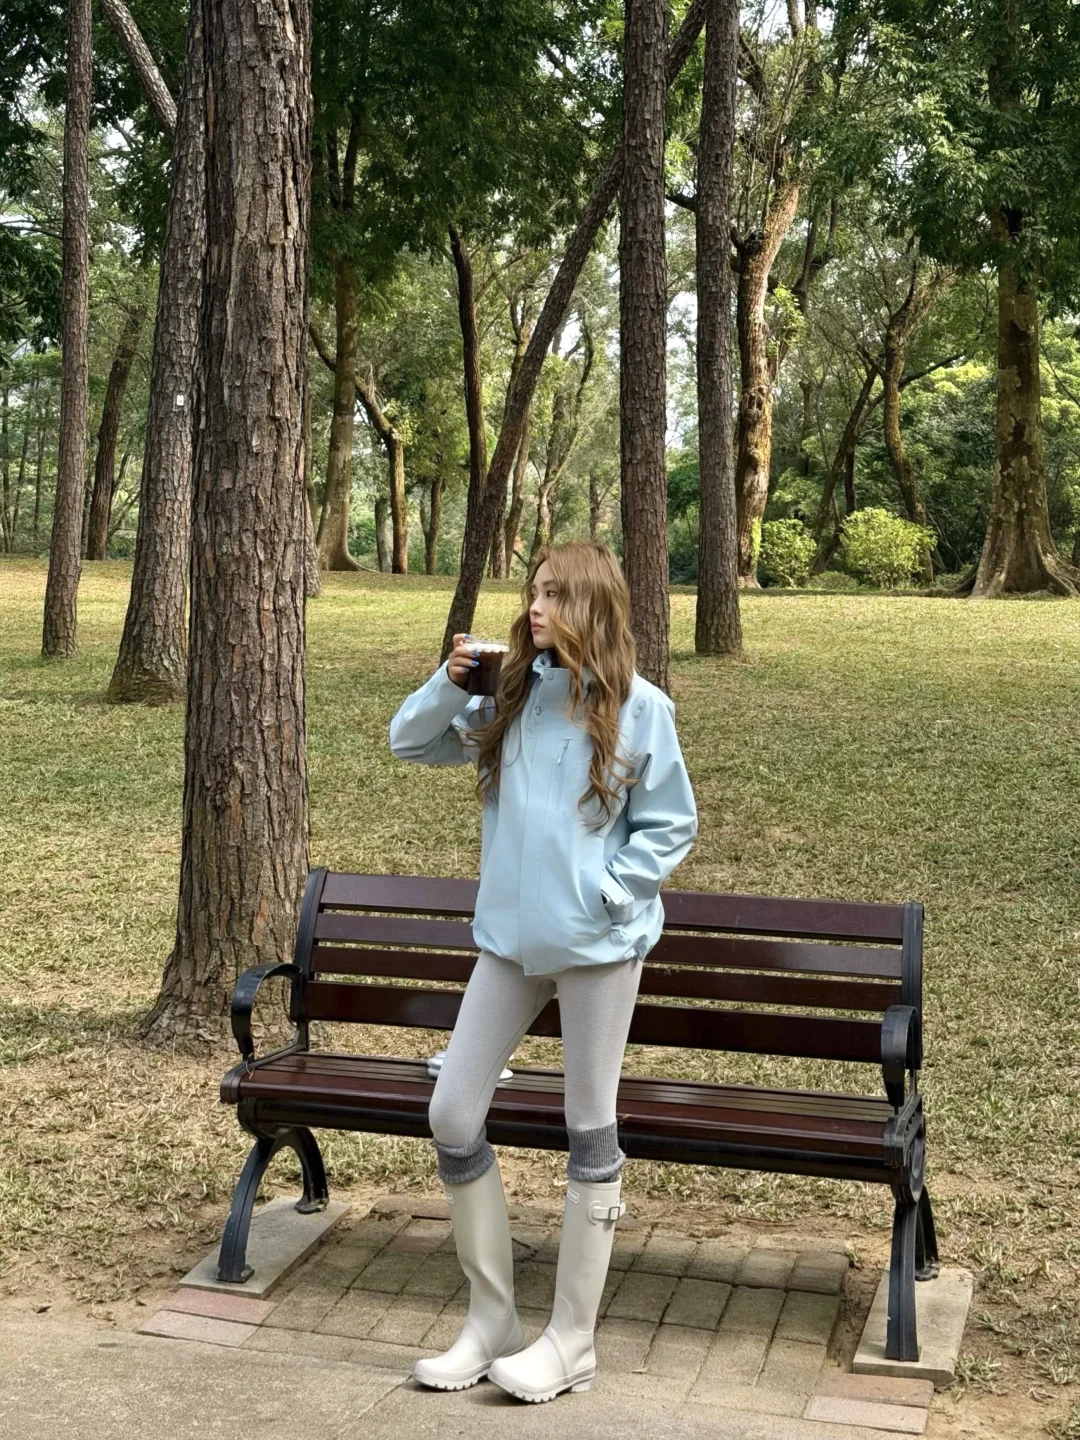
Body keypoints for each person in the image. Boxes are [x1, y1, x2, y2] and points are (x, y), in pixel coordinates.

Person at [387, 540, 698, 1404]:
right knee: (452, 1111)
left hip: (599, 949)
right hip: (509, 945)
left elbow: (671, 823)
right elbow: (408, 743)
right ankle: (492, 1320)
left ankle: (571, 1341)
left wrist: (609, 892)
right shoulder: (510, 698)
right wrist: (450, 681)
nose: (535, 607)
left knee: (588, 1128)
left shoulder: (642, 709)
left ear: (593, 604)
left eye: (554, 594)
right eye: (532, 592)